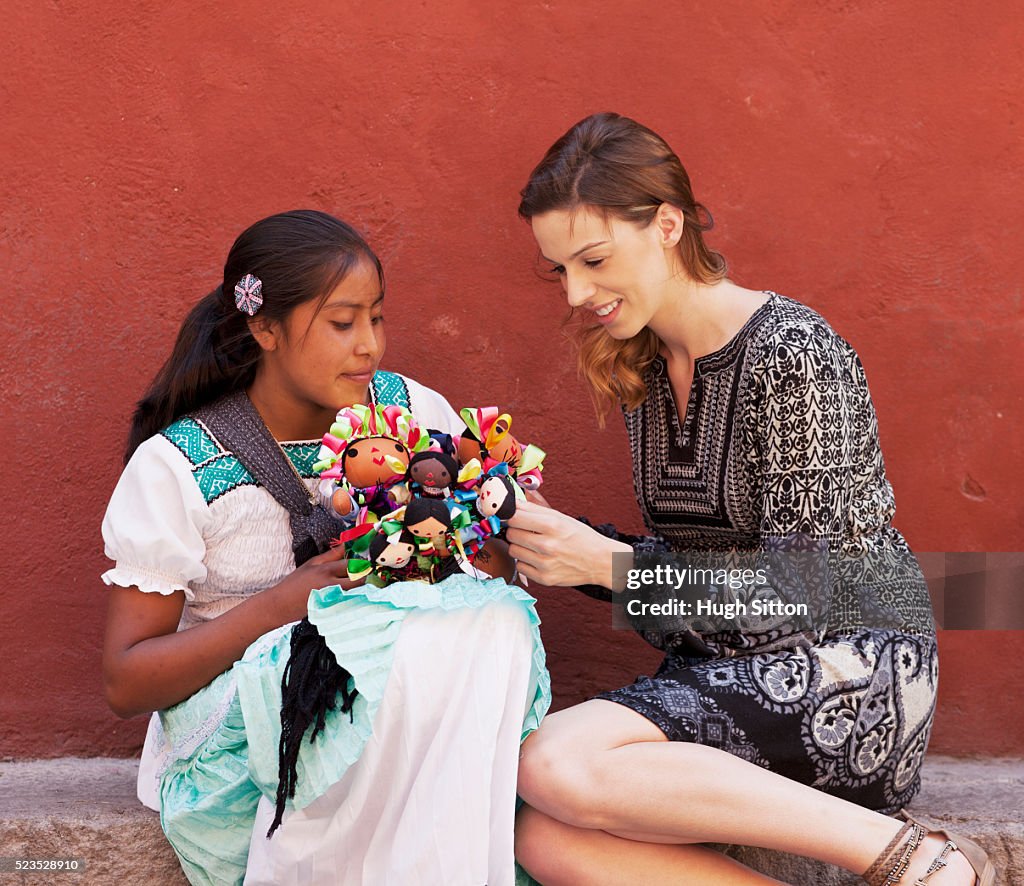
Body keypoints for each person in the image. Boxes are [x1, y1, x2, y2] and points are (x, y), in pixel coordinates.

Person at [506, 114, 993, 885]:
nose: (576, 292)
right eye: (558, 269)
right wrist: (551, 540)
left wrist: (612, 564)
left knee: (555, 764)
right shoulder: (644, 363)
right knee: (542, 839)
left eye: (594, 260)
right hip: (726, 681)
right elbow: (694, 565)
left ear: (667, 225)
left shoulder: (794, 352)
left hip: (852, 673)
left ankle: (922, 864)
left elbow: (805, 591)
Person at [101, 210, 549, 886]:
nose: (368, 346)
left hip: (400, 710)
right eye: (342, 324)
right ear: (264, 326)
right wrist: (286, 602)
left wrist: (468, 537)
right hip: (246, 757)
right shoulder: (179, 466)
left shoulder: (411, 414)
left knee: (499, 620)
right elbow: (127, 681)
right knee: (383, 641)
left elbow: (490, 569)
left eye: (376, 317)